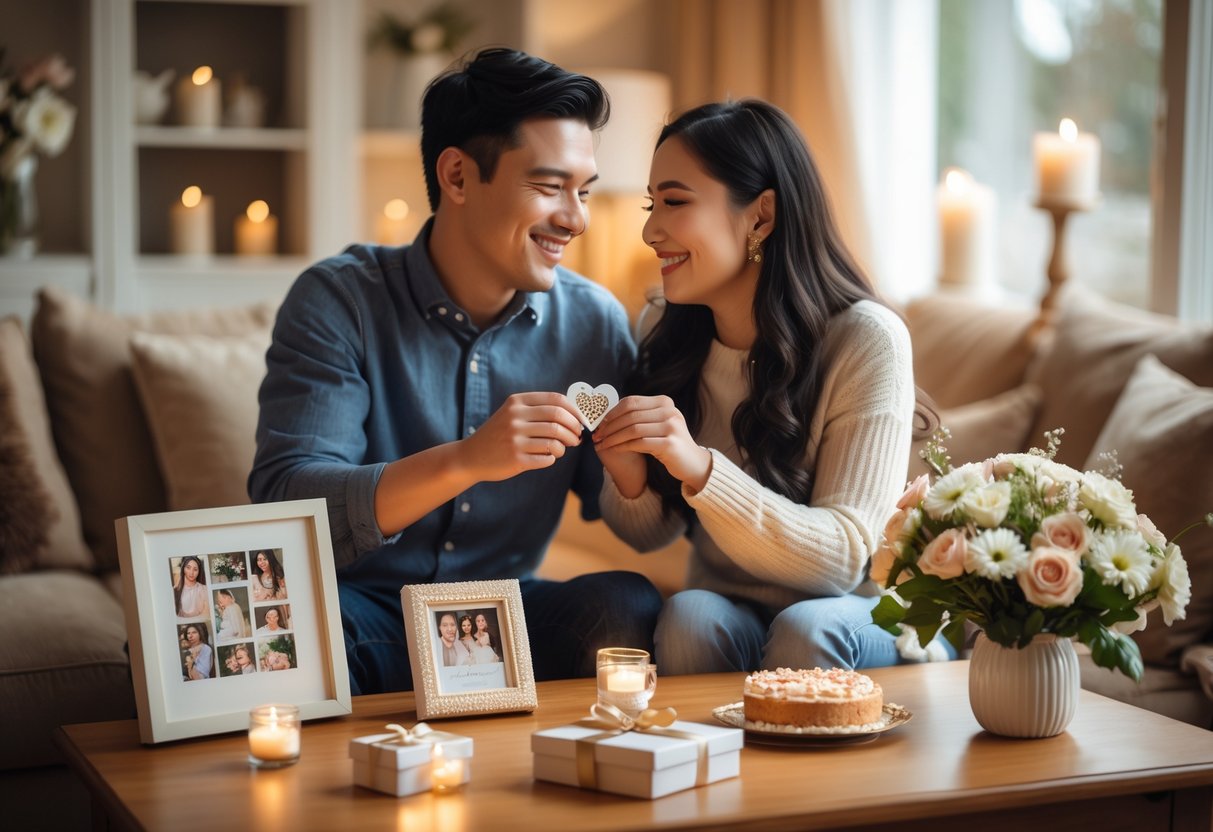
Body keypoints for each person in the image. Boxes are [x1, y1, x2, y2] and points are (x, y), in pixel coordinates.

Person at [249, 47, 662, 695]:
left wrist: (653, 442)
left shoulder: (593, 322)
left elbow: (633, 522)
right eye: (550, 186)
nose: (576, 218)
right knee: (283, 626)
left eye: (582, 192)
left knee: (623, 605)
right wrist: (466, 460)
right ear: (458, 177)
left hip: (504, 619)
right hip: (366, 615)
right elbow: (286, 503)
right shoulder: (339, 300)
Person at [593, 100, 949, 674]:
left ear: (760, 216)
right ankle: (708, 767)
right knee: (686, 616)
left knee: (806, 630)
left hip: (860, 612)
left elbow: (843, 560)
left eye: (675, 202)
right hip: (735, 606)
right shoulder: (665, 326)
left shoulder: (867, 339)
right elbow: (647, 536)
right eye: (651, 204)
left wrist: (700, 467)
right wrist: (631, 475)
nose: (650, 230)